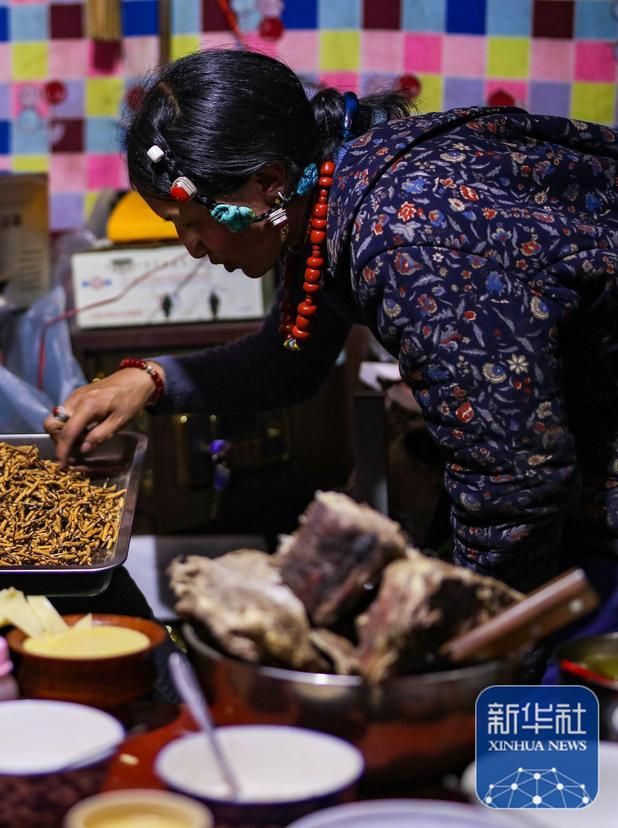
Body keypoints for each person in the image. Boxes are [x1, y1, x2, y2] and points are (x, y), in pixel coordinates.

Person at [47, 49, 618, 598]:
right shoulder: (320, 196)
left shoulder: (403, 239)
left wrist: (476, 641)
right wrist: (147, 379)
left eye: (193, 221)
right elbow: (287, 361)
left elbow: (514, 480)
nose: (191, 247)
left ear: (267, 182)